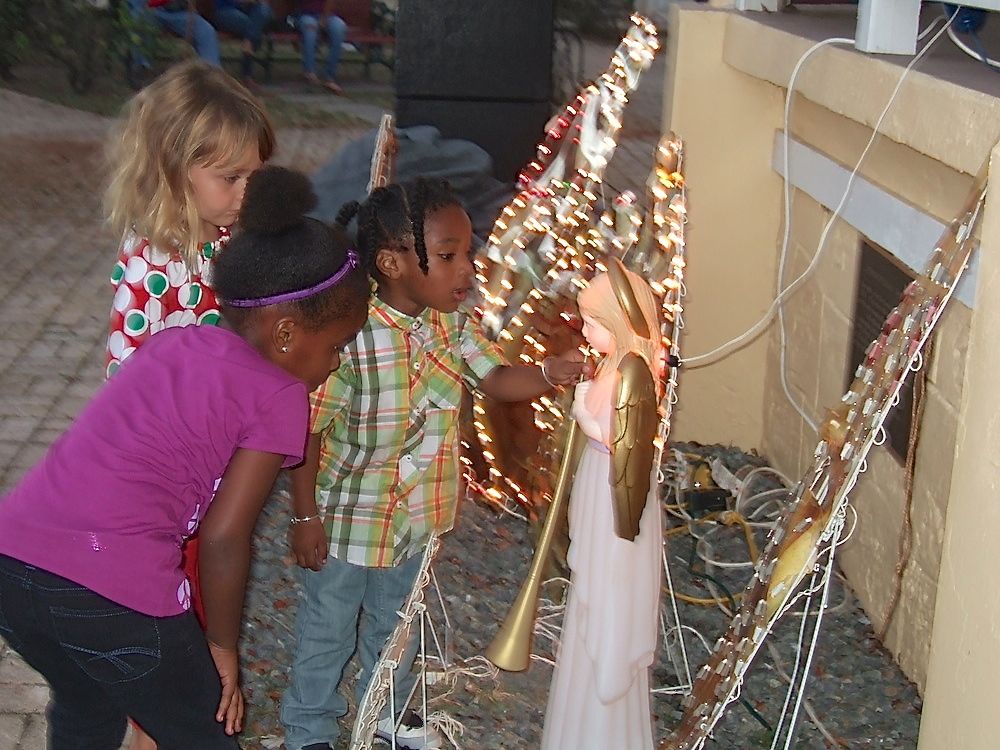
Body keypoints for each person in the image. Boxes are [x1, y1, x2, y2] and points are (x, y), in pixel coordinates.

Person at [0, 165, 371, 750]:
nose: (335, 363)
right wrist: (220, 646)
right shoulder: (281, 396)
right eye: (336, 345)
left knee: (86, 701)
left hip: (14, 563)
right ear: (285, 332)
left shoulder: (175, 341)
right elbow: (226, 537)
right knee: (206, 732)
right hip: (111, 589)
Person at [279, 177, 592, 750]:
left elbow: (495, 378)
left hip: (420, 515)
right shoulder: (350, 336)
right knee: (327, 629)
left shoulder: (453, 326)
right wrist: (304, 518)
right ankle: (309, 730)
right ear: (392, 263)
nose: (467, 270)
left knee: (398, 624)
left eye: (468, 252)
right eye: (448, 256)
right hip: (348, 519)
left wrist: (550, 372)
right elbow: (307, 431)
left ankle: (387, 713)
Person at [104, 58, 275, 750]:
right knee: (163, 655)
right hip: (160, 496)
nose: (244, 192)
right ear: (175, 170)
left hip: (208, 482)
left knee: (193, 638)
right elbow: (133, 392)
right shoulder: (153, 263)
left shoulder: (226, 239)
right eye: (229, 179)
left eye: (252, 177)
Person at [539, 265, 664, 750]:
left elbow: (621, 442)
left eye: (592, 323)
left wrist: (581, 410)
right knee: (587, 581)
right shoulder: (615, 367)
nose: (584, 331)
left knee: (605, 581)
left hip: (613, 491)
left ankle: (603, 718)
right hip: (597, 483)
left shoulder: (633, 373)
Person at [129, 0, 222, 67]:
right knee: (139, 20)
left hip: (177, 12)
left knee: (206, 30)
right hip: (148, 10)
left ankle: (212, 74)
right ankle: (142, 67)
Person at [210, 0, 274, 85]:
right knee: (253, 27)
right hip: (224, 10)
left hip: (246, 9)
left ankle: (249, 44)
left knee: (264, 10)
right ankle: (247, 74)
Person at [291, 0, 348, 94]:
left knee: (339, 28)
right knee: (310, 29)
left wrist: (325, 18)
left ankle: (329, 77)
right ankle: (309, 72)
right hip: (306, 15)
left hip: (329, 15)